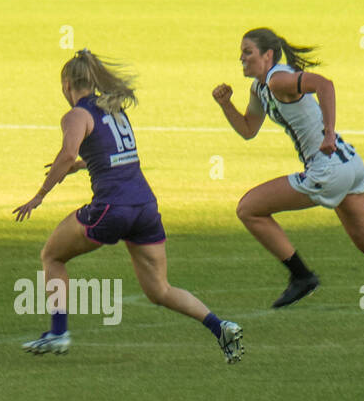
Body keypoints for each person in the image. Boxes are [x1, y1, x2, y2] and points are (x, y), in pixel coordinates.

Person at [13, 49, 243, 362]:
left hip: (112, 208)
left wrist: (40, 194)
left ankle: (58, 333)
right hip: (144, 207)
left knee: (52, 256)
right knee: (159, 290)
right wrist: (84, 166)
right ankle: (221, 327)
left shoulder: (76, 115)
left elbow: (66, 154)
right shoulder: (113, 107)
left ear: (67, 84)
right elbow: (114, 151)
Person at [212, 28, 364, 330]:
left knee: (248, 208)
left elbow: (325, 85)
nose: (241, 58)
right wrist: (226, 105)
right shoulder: (261, 88)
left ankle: (301, 276)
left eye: (248, 51)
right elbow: (248, 129)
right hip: (349, 164)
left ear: (268, 55)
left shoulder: (278, 79)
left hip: (327, 168)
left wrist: (328, 133)